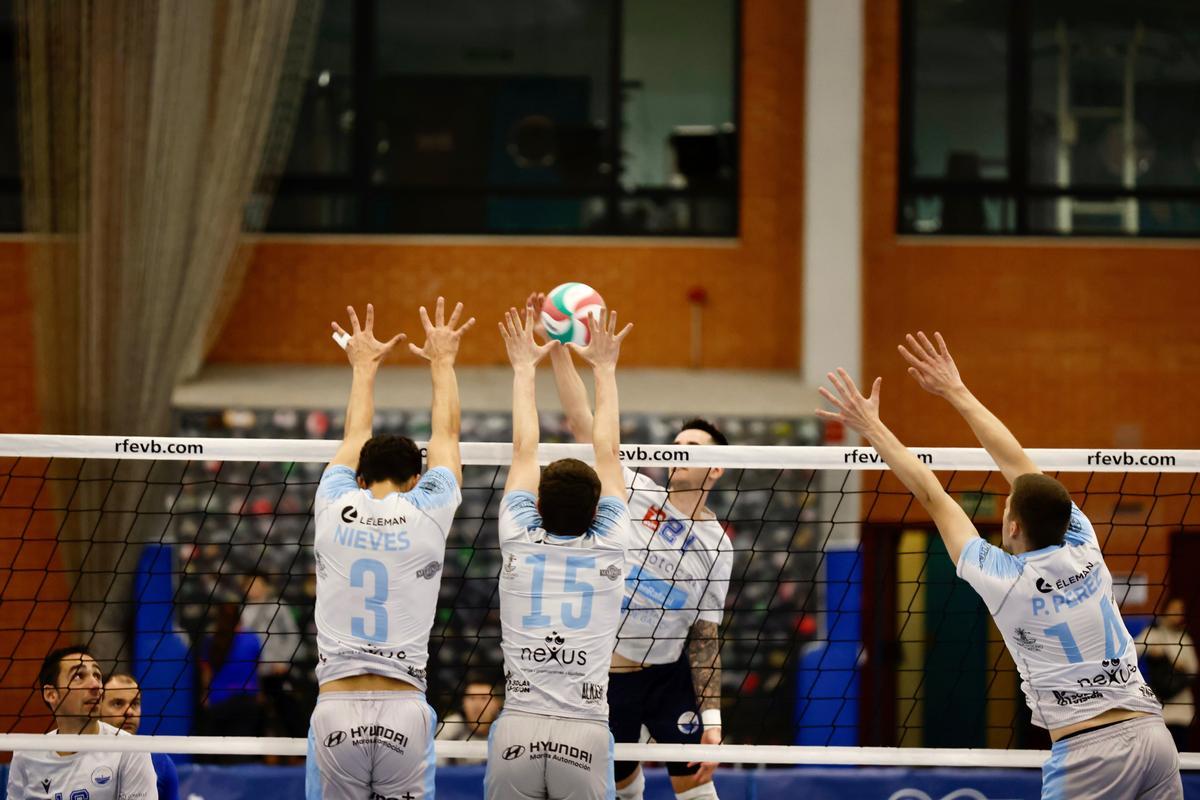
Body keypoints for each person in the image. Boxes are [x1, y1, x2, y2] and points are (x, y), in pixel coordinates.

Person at [816, 331, 1181, 799]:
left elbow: (932, 494)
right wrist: (955, 389)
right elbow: (1016, 462)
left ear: (1010, 529)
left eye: (1007, 508)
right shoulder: (1084, 541)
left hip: (1090, 753)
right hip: (1152, 735)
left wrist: (872, 426)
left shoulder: (1006, 580)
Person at [529, 292, 732, 800]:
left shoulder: (718, 547)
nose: (677, 453)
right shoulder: (635, 490)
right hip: (609, 676)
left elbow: (706, 636)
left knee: (697, 786)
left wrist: (713, 716)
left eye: (693, 448)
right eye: (675, 445)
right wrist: (557, 345)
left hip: (668, 678)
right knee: (622, 787)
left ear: (717, 468)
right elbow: (582, 421)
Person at [306, 299, 472, 800]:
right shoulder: (428, 509)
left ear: (359, 476)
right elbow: (446, 433)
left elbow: (354, 433)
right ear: (416, 479)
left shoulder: (333, 501)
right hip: (403, 707)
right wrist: (442, 362)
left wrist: (363, 366)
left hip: (336, 703)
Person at [486, 307, 633, 800]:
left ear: (538, 505)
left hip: (518, 728)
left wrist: (525, 367)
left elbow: (524, 449)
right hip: (585, 729)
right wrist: (605, 369)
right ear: (598, 510)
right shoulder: (611, 540)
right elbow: (608, 452)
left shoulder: (518, 536)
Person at [7, 645, 157, 800]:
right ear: (51, 694)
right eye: (78, 676)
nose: (95, 685)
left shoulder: (131, 750)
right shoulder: (26, 755)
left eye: (97, 676)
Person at [240, 571, 305, 737]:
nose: (252, 588)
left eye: (256, 583)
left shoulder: (278, 606)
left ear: (265, 586)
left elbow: (292, 635)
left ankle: (298, 749)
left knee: (287, 709)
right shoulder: (243, 611)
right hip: (254, 673)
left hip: (277, 669)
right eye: (249, 584)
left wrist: (283, 661)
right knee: (257, 714)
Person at [99, 673, 180, 800]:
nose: (129, 712)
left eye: (135, 704)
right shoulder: (77, 755)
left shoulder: (161, 763)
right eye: (118, 703)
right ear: (98, 708)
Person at [1137, 597, 1197, 751]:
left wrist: (1179, 665)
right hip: (1160, 708)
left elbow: (1194, 669)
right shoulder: (1153, 633)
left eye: (1180, 611)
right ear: (1165, 610)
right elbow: (1133, 650)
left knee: (1181, 752)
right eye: (1174, 610)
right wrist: (1152, 650)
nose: (1177, 614)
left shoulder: (1183, 636)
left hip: (1182, 707)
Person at [435, 670, 503, 765]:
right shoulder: (449, 727)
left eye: (484, 698)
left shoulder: (506, 729)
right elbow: (437, 768)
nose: (477, 705)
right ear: (463, 703)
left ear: (496, 703)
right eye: (472, 698)